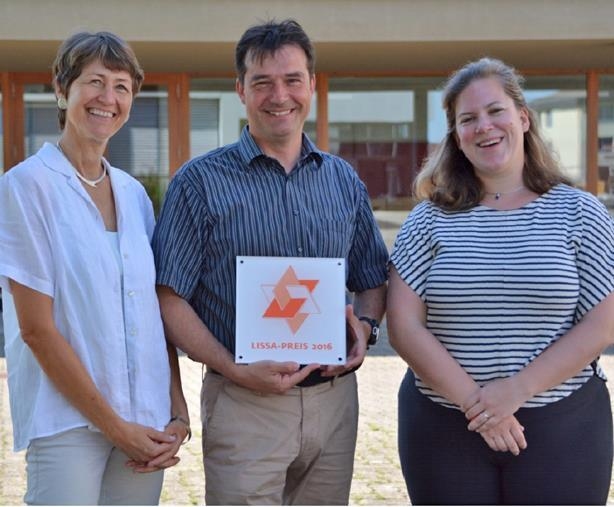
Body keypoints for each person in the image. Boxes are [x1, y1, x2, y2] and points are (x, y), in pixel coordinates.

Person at [152, 19, 388, 505]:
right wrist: (233, 368)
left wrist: (364, 328)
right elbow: (169, 297)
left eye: (292, 80)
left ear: (312, 85)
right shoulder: (199, 183)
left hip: (334, 405)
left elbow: (371, 278)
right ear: (241, 89)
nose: (279, 96)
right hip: (244, 406)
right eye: (262, 82)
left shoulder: (343, 181)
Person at [387, 57, 614, 505]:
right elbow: (404, 327)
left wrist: (514, 391)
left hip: (564, 426)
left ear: (523, 118)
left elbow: (602, 324)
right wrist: (478, 404)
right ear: (457, 136)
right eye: (468, 119)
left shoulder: (579, 212)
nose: (484, 127)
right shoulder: (427, 220)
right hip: (444, 426)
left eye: (495, 111)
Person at [0, 31, 190, 505]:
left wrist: (177, 409)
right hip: (66, 423)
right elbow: (36, 330)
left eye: (122, 86)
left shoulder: (134, 195)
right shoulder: (26, 187)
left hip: (145, 420)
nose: (108, 98)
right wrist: (114, 427)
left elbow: (152, 313)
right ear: (62, 90)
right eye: (95, 81)